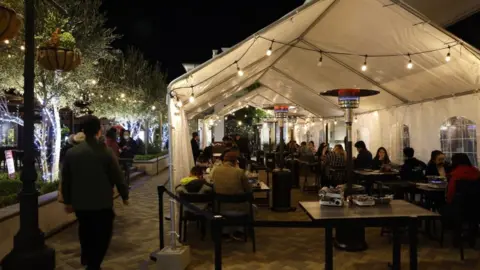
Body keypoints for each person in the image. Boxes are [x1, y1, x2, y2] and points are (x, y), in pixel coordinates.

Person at [61, 115, 129, 270]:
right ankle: (93, 264)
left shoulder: (72, 153)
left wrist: (67, 201)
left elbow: (66, 179)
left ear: (83, 131)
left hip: (81, 203)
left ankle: (89, 257)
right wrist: (124, 195)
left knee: (85, 230)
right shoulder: (105, 152)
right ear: (99, 131)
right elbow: (117, 175)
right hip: (102, 202)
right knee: (103, 234)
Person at [211, 150, 252, 240]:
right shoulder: (239, 172)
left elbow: (212, 185)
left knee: (228, 207)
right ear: (235, 161)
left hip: (220, 207)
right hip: (239, 207)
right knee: (254, 208)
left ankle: (225, 231)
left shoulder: (215, 171)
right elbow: (248, 190)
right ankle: (239, 231)